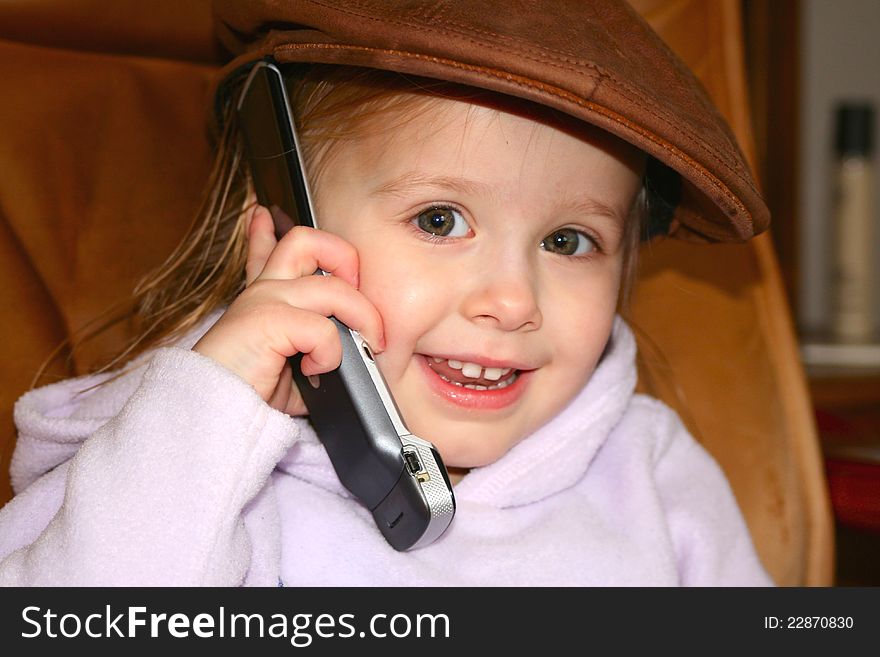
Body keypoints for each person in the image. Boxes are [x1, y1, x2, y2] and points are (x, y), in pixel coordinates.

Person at [0, 0, 772, 585]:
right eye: (439, 219)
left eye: (568, 241)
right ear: (285, 224)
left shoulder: (652, 470)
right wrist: (212, 411)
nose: (511, 300)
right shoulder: (179, 465)